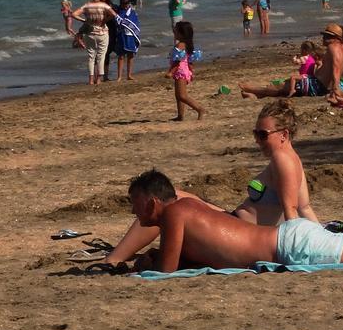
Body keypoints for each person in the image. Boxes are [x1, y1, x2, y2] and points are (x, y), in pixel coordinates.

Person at [103, 100, 320, 266]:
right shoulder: (291, 159)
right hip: (235, 223)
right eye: (255, 134)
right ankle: (118, 256)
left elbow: (291, 211)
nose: (257, 140)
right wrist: (322, 235)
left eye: (263, 135)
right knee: (176, 198)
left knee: (166, 204)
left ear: (284, 134)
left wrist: (302, 246)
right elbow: (305, 207)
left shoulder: (283, 160)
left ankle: (114, 260)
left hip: (241, 232)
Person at [125, 169, 343, 272]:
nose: (136, 213)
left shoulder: (173, 214)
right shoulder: (186, 210)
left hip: (290, 246)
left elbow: (165, 271)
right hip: (288, 239)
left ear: (153, 201)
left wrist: (145, 263)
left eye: (136, 205)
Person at [239, 41, 320, 99]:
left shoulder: (304, 58)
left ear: (305, 50)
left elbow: (295, 61)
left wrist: (295, 57)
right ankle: (252, 95)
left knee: (274, 88)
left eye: (301, 49)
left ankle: (249, 89)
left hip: (302, 79)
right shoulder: (311, 59)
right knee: (278, 86)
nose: (300, 51)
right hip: (306, 78)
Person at [72, 0, 117, 85]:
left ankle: (91, 80)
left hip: (89, 33)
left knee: (91, 57)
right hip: (102, 32)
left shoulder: (87, 5)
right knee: (101, 56)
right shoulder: (103, 5)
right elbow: (114, 14)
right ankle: (99, 79)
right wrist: (104, 20)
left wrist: (84, 20)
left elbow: (74, 14)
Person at [167, 20, 203, 121]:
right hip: (184, 71)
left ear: (181, 34)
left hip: (180, 72)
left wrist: (170, 72)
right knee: (178, 95)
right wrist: (192, 72)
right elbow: (190, 61)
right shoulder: (187, 44)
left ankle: (199, 109)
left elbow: (177, 62)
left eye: (176, 31)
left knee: (182, 95)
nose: (174, 32)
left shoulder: (180, 46)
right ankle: (180, 115)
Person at [114, 0, 141, 81]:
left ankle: (129, 75)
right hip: (121, 35)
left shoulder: (132, 12)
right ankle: (119, 76)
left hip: (131, 36)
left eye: (127, 4)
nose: (125, 6)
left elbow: (136, 24)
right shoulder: (118, 11)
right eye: (124, 4)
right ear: (121, 4)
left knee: (130, 55)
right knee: (121, 56)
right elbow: (117, 21)